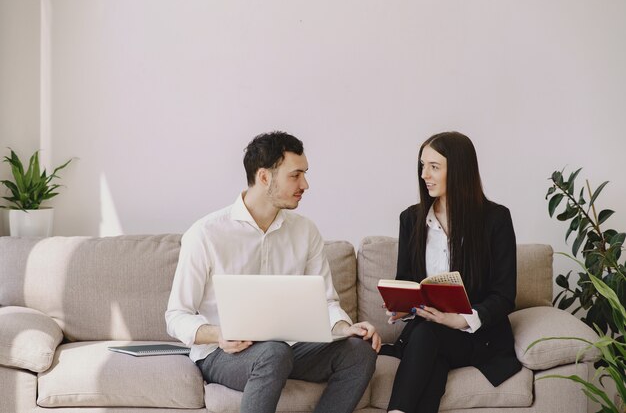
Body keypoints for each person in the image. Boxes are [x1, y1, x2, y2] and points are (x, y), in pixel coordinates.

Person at [165, 131, 381, 413]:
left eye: (305, 174)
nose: (305, 184)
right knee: (273, 352)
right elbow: (176, 316)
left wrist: (345, 327)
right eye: (296, 175)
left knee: (359, 352)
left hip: (291, 348)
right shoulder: (206, 234)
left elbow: (327, 302)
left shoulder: (305, 231)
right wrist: (219, 334)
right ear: (264, 177)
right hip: (224, 354)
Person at [381, 131, 522, 413]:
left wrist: (460, 320)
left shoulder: (496, 219)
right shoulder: (411, 219)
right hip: (429, 333)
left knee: (427, 336)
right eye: (422, 165)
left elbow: (504, 295)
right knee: (430, 349)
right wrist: (401, 307)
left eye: (434, 166)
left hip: (474, 335)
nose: (424, 174)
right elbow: (406, 279)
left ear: (458, 170)